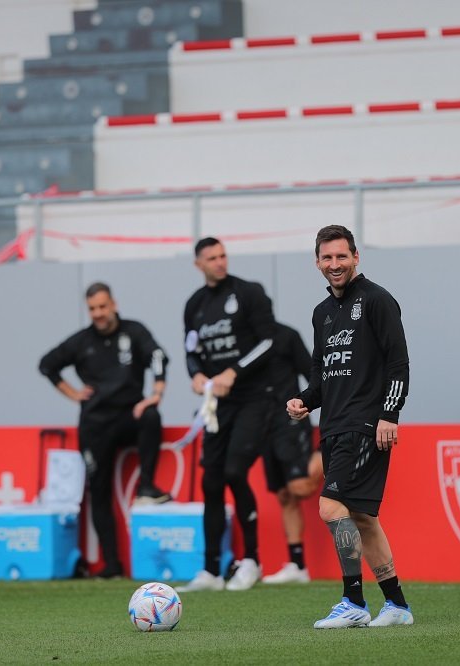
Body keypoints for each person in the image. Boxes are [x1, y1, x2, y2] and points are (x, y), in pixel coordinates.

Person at [287, 224, 414, 629]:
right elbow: (322, 378)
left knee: (330, 506)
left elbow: (399, 363)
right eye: (327, 258)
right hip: (334, 426)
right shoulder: (321, 314)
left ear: (356, 257)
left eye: (342, 256)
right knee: (363, 518)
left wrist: (389, 415)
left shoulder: (378, 301)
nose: (335, 264)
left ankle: (353, 600)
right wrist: (304, 402)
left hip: (366, 425)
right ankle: (396, 606)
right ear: (317, 262)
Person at [39, 282, 171, 579]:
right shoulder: (82, 341)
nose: (98, 313)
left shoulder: (134, 331)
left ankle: (147, 487)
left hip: (129, 414)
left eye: (102, 306)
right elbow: (47, 365)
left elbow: (159, 356)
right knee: (98, 491)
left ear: (113, 304)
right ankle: (112, 565)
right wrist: (72, 393)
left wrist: (156, 393)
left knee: (151, 416)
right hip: (96, 423)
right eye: (92, 308)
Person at [180, 237, 277, 592]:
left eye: (223, 256)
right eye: (212, 258)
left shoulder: (249, 292)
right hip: (216, 405)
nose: (220, 262)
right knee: (211, 481)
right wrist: (197, 375)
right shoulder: (194, 305)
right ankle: (210, 570)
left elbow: (269, 342)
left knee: (236, 470)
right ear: (198, 264)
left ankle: (251, 560)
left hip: (255, 398)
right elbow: (191, 349)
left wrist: (233, 371)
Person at [261, 322, 323, 585]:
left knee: (301, 487)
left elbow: (313, 373)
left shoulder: (286, 336)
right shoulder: (240, 342)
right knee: (285, 495)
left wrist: (304, 404)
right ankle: (298, 566)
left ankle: (330, 450)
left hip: (289, 421)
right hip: (262, 424)